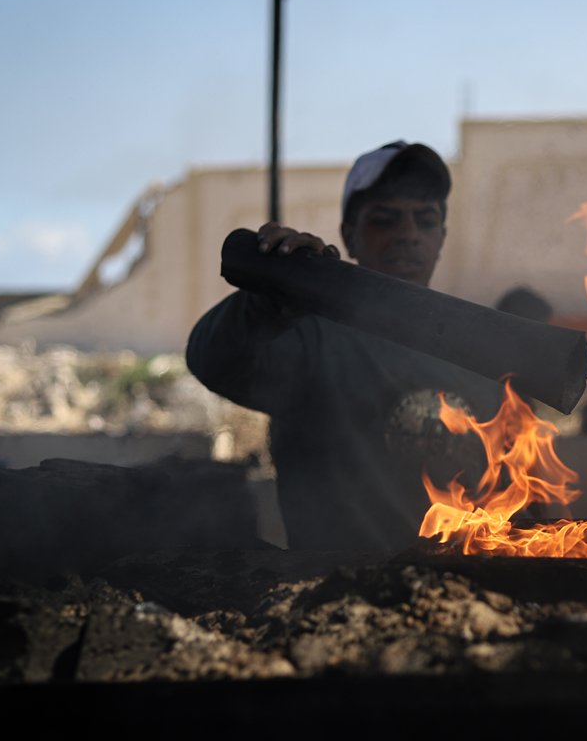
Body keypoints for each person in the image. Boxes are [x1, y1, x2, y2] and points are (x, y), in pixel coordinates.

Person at [187, 141, 502, 551]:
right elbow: (213, 359)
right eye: (384, 220)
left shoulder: (474, 354)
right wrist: (269, 299)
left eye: (425, 220)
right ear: (349, 235)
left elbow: (512, 483)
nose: (408, 235)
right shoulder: (309, 336)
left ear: (442, 237)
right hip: (343, 587)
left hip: (465, 586)